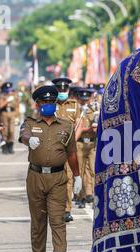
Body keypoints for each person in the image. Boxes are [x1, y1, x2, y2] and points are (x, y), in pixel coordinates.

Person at [19, 85, 82, 252]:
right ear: (37, 104)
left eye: (51, 102)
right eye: (44, 102)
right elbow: (23, 134)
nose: (48, 105)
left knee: (58, 219)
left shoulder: (66, 126)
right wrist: (29, 140)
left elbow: (71, 153)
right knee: (38, 221)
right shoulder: (30, 122)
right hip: (36, 177)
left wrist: (78, 176)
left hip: (58, 178)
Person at [52, 78, 81, 223]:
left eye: (64, 90)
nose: (62, 92)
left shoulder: (75, 105)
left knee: (68, 178)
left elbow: (79, 125)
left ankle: (67, 210)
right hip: (54, 148)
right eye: (59, 90)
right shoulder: (50, 104)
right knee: (54, 180)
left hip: (69, 148)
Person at [73, 87, 97, 209]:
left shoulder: (93, 111)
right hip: (80, 144)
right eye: (82, 100)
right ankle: (81, 196)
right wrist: (87, 129)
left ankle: (91, 194)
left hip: (92, 143)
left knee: (92, 170)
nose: (84, 102)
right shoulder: (76, 111)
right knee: (80, 170)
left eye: (86, 100)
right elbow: (76, 128)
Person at [0, 82, 19, 154]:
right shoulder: (0, 95)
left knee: (11, 131)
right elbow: (0, 106)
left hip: (11, 113)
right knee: (4, 131)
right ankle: (4, 147)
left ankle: (10, 146)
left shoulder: (14, 95)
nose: (9, 90)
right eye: (7, 88)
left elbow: (17, 106)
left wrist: (17, 116)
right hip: (3, 114)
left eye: (9, 88)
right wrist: (7, 100)